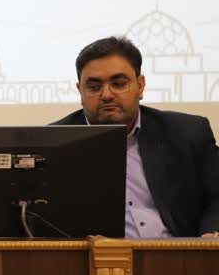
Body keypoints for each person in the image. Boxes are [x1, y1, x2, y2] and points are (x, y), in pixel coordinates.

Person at [53, 36, 219, 237]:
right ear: (80, 91)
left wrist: (210, 234)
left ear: (140, 86)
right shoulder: (55, 144)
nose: (107, 95)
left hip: (178, 251)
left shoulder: (187, 133)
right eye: (94, 87)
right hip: (98, 254)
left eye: (118, 84)